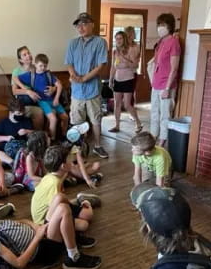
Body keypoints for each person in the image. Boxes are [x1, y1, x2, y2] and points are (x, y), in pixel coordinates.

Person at [30, 146, 102, 269]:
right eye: (70, 160)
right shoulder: (54, 182)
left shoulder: (50, 177)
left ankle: (72, 233)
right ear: (63, 166)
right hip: (45, 225)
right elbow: (55, 208)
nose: (72, 162)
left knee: (65, 202)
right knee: (84, 223)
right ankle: (74, 256)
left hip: (48, 217)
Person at [65, 12, 109, 159]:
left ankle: (97, 146)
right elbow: (69, 63)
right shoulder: (73, 43)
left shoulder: (100, 42)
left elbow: (100, 65)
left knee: (96, 119)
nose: (81, 27)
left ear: (92, 24)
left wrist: (84, 78)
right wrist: (74, 76)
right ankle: (78, 146)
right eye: (78, 25)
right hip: (76, 90)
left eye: (84, 24)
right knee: (77, 120)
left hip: (92, 89)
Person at [17, 53, 68, 141]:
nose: (43, 68)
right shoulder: (30, 75)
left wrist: (56, 98)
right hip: (42, 101)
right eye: (40, 66)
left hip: (52, 100)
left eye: (45, 66)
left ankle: (64, 136)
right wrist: (24, 88)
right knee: (53, 118)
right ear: (35, 64)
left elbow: (59, 85)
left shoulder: (48, 74)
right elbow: (15, 78)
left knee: (65, 117)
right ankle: (52, 139)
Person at [151, 13, 181, 147]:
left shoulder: (174, 42)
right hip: (156, 84)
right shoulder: (160, 42)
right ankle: (153, 136)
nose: (160, 28)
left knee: (165, 115)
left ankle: (162, 141)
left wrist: (167, 88)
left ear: (170, 26)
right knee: (154, 112)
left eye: (163, 25)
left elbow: (174, 68)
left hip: (166, 85)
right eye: (159, 25)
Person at [108, 31, 143, 133]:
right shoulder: (115, 51)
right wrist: (111, 79)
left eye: (120, 38)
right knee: (117, 103)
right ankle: (117, 126)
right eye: (116, 39)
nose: (118, 41)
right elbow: (112, 67)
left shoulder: (131, 50)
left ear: (124, 39)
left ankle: (138, 122)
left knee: (127, 104)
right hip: (117, 80)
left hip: (128, 79)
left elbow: (135, 65)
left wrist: (126, 60)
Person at [11, 46, 45, 130]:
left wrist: (53, 88)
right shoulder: (17, 71)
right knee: (38, 111)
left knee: (52, 110)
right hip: (24, 101)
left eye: (29, 53)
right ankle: (37, 137)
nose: (28, 55)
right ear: (20, 60)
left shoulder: (37, 67)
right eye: (24, 55)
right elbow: (14, 91)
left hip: (38, 97)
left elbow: (47, 79)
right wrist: (27, 91)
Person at [0, 98, 33, 165]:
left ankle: (16, 163)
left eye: (22, 113)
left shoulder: (26, 121)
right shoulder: (3, 123)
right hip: (6, 151)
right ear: (11, 112)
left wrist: (27, 131)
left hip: (22, 149)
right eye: (18, 113)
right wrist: (6, 138)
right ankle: (13, 163)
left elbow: (35, 134)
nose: (21, 115)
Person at [63, 122, 103, 189]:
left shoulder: (74, 146)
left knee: (93, 164)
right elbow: (81, 165)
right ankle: (88, 178)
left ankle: (73, 179)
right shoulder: (76, 149)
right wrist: (88, 180)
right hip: (69, 169)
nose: (86, 133)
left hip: (70, 169)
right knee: (95, 166)